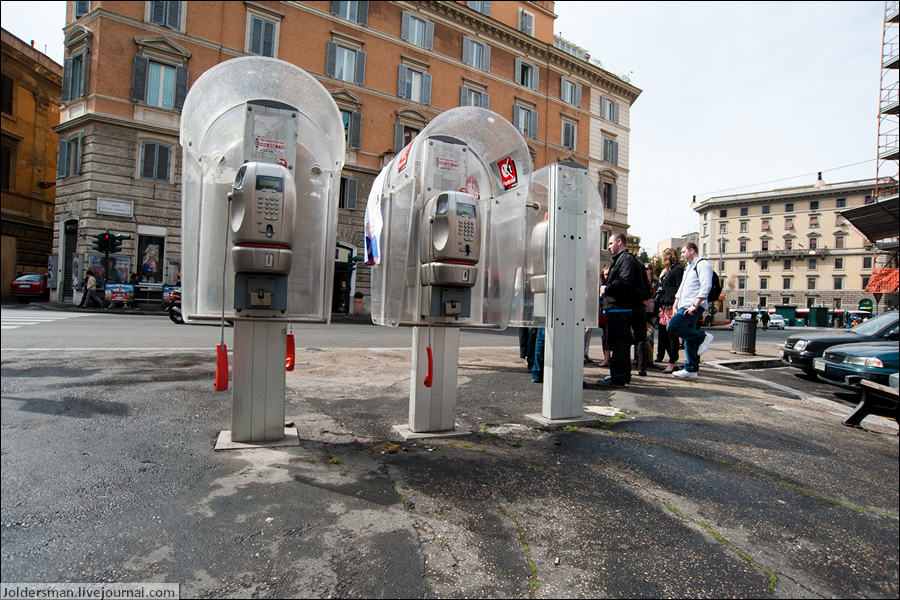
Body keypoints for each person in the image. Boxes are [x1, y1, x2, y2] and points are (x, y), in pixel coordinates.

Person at [593, 233, 643, 387]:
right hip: (618, 307)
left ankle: (618, 377)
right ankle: (622, 375)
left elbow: (624, 281)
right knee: (621, 343)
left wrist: (606, 288)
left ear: (619, 242)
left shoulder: (626, 259)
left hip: (620, 307)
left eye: (610, 243)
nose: (608, 247)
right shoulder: (623, 259)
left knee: (618, 343)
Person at [666, 242, 714, 380]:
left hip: (691, 306)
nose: (681, 255)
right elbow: (682, 287)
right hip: (684, 304)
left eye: (683, 252)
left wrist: (696, 304)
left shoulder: (703, 264)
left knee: (673, 327)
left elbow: (706, 286)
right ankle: (691, 369)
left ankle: (703, 337)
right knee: (688, 338)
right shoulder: (689, 267)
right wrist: (676, 303)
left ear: (692, 250)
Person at [656, 248, 684, 373]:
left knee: (671, 336)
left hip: (671, 306)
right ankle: (672, 361)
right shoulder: (669, 270)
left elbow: (679, 287)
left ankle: (673, 362)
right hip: (665, 306)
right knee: (664, 336)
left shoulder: (677, 269)